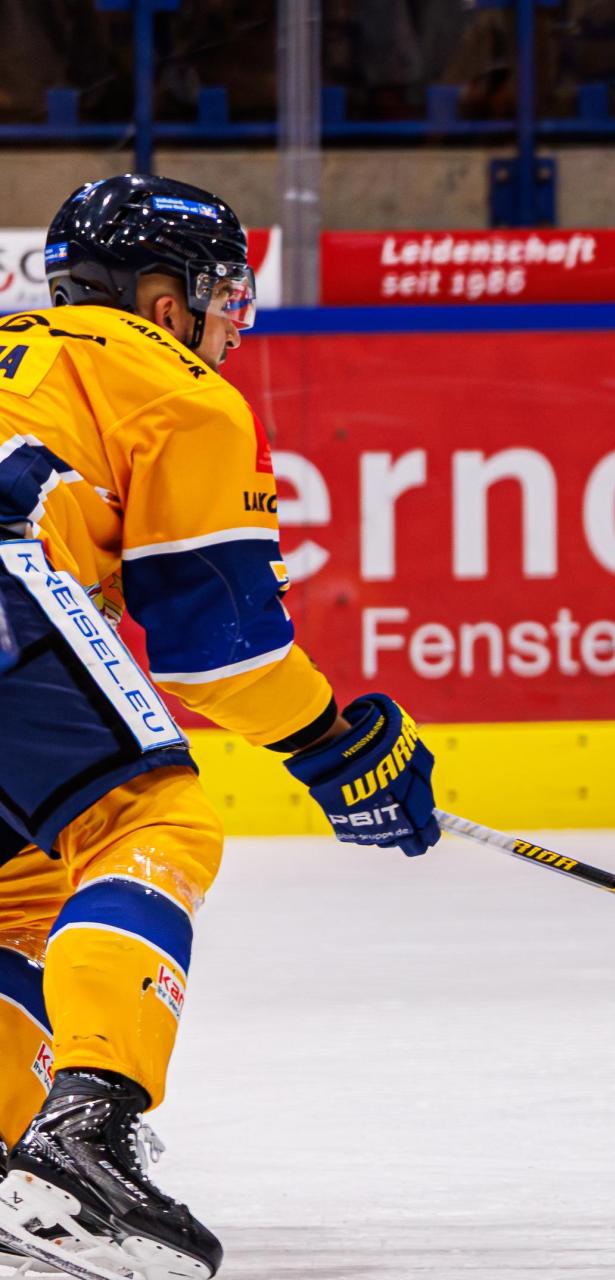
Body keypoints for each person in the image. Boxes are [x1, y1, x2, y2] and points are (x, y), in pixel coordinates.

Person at [0, 174, 439, 1276]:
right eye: (217, 295)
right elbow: (221, 651)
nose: (227, 322)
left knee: (22, 889)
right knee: (154, 819)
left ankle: (18, 1135)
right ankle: (83, 1130)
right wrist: (336, 745)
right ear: (160, 299)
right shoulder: (164, 379)